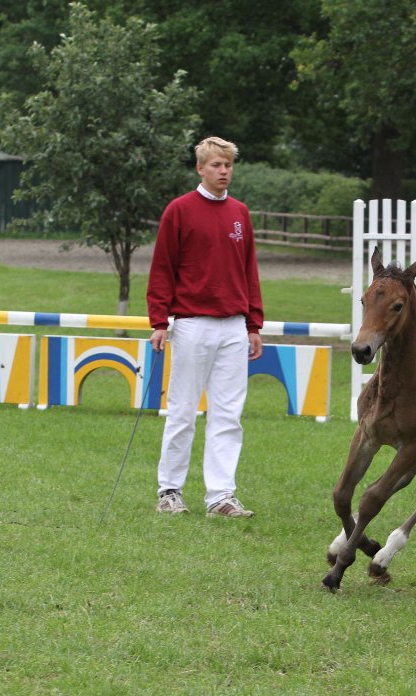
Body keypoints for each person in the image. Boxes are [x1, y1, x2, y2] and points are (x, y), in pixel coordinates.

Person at [147, 136, 263, 518]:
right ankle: (170, 490)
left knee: (228, 414)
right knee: (182, 410)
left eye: (228, 165)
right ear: (200, 168)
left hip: (233, 326)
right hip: (192, 324)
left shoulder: (240, 213)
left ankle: (221, 496)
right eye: (216, 165)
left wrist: (253, 323)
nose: (223, 171)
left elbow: (249, 270)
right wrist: (159, 321)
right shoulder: (179, 211)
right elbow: (163, 267)